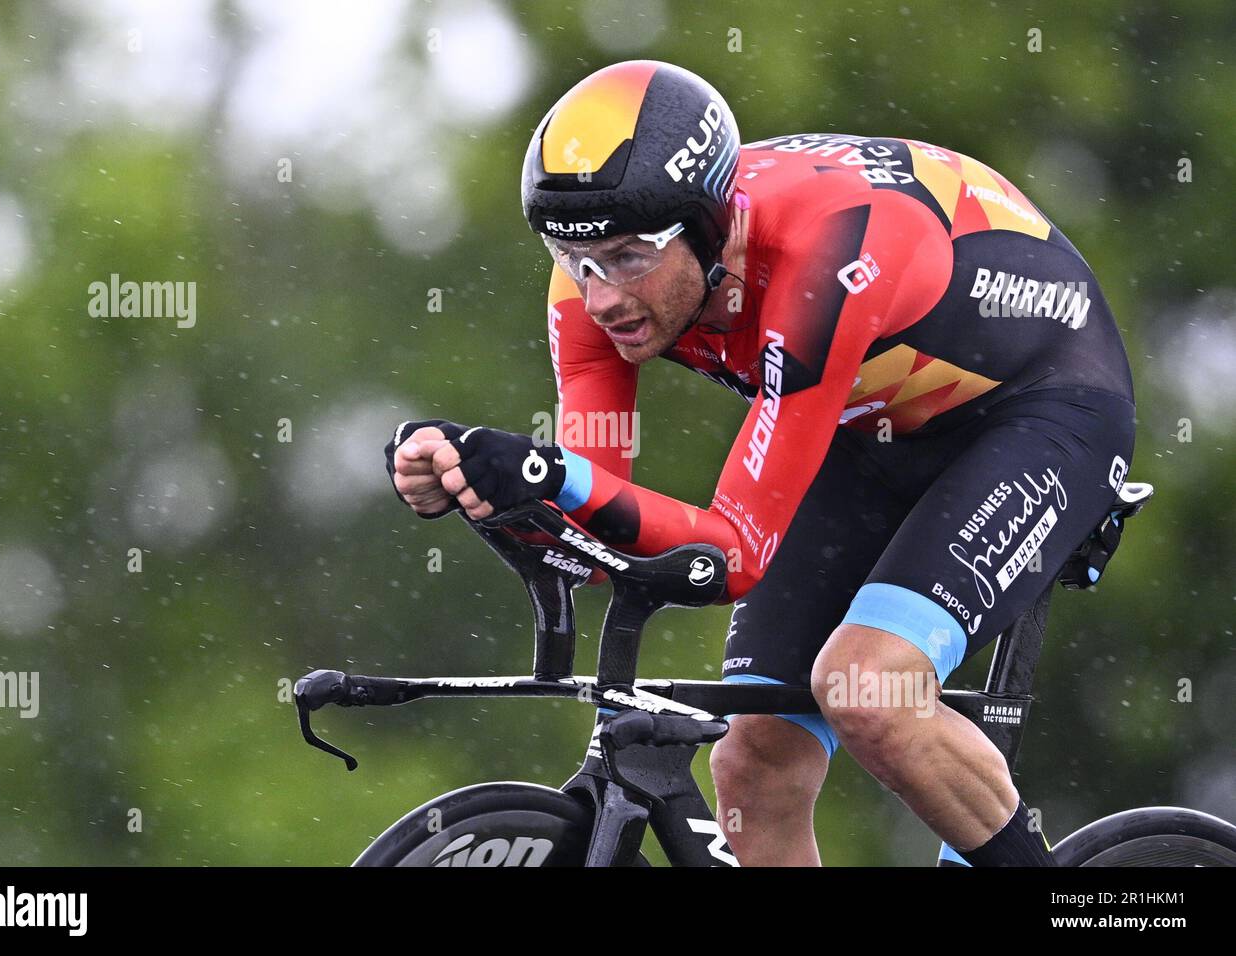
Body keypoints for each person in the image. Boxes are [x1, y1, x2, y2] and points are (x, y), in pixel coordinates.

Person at [384, 60, 1136, 867]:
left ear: (710, 229)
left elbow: (732, 556)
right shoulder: (590, 289)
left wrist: (549, 475)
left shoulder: (825, 254)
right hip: (866, 424)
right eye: (576, 257)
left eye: (630, 256)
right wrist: (488, 484)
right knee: (754, 760)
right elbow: (595, 530)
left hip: (1040, 407)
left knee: (867, 689)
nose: (601, 295)